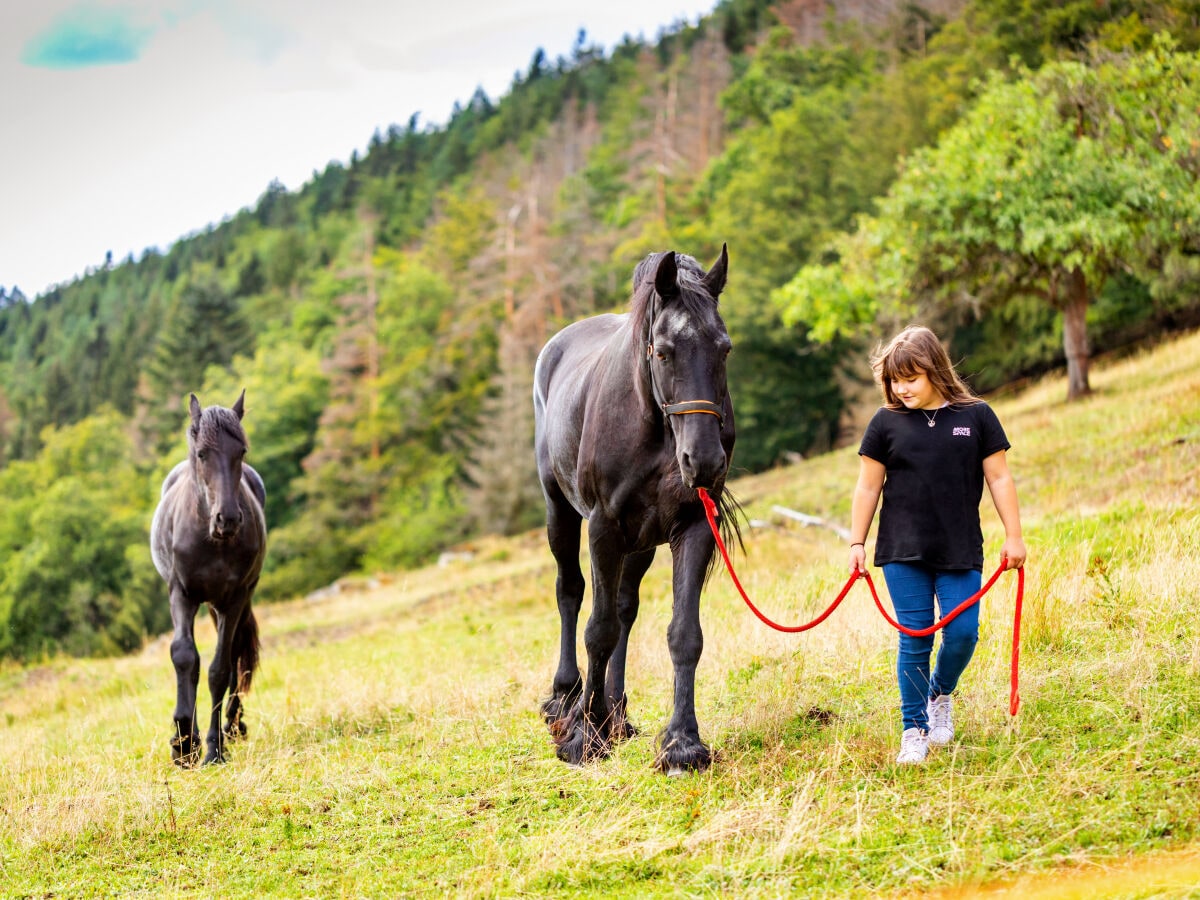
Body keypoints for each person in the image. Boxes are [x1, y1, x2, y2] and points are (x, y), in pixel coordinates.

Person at [848, 325, 1026, 764]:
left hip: (959, 546)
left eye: (911, 378)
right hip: (902, 550)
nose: (901, 388)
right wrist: (857, 542)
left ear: (934, 371)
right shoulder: (885, 423)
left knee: (963, 634)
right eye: (894, 379)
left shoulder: (977, 415)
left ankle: (940, 693)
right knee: (914, 639)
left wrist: (1015, 535)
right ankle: (914, 729)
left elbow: (999, 477)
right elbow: (868, 487)